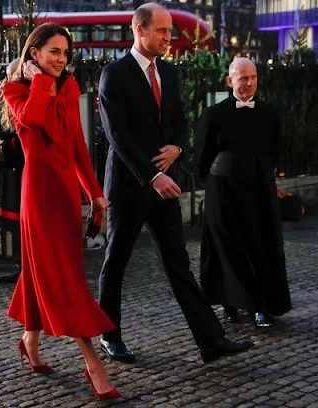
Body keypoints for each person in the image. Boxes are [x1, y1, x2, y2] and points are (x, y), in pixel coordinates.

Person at [97, 3, 253, 364]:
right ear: (140, 29)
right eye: (163, 31)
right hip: (130, 185)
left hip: (164, 186)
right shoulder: (113, 74)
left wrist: (177, 147)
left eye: (170, 31)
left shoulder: (168, 72)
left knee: (178, 264)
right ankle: (110, 336)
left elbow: (180, 120)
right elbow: (116, 135)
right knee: (116, 262)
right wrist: (152, 175)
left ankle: (211, 342)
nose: (170, 38)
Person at [0, 23, 121, 401]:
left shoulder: (68, 86)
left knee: (46, 270)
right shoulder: (15, 88)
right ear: (33, 53)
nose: (61, 59)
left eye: (65, 53)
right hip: (39, 196)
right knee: (64, 279)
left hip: (67, 194)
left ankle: (29, 342)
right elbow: (32, 120)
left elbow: (78, 146)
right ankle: (93, 365)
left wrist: (95, 195)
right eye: (54, 51)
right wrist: (37, 83)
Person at [193, 57, 292, 328]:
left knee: (260, 246)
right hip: (223, 190)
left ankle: (261, 306)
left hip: (259, 190)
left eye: (253, 78)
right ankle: (230, 301)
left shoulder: (269, 113)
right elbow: (201, 157)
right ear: (230, 82)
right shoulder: (214, 114)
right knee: (226, 247)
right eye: (243, 78)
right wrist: (216, 183)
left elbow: (276, 149)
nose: (249, 83)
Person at [0, 57, 25, 284]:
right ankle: (20, 265)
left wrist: (5, 148)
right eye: (7, 74)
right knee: (14, 224)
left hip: (26, 169)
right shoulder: (6, 97)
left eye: (13, 73)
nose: (9, 78)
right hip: (11, 169)